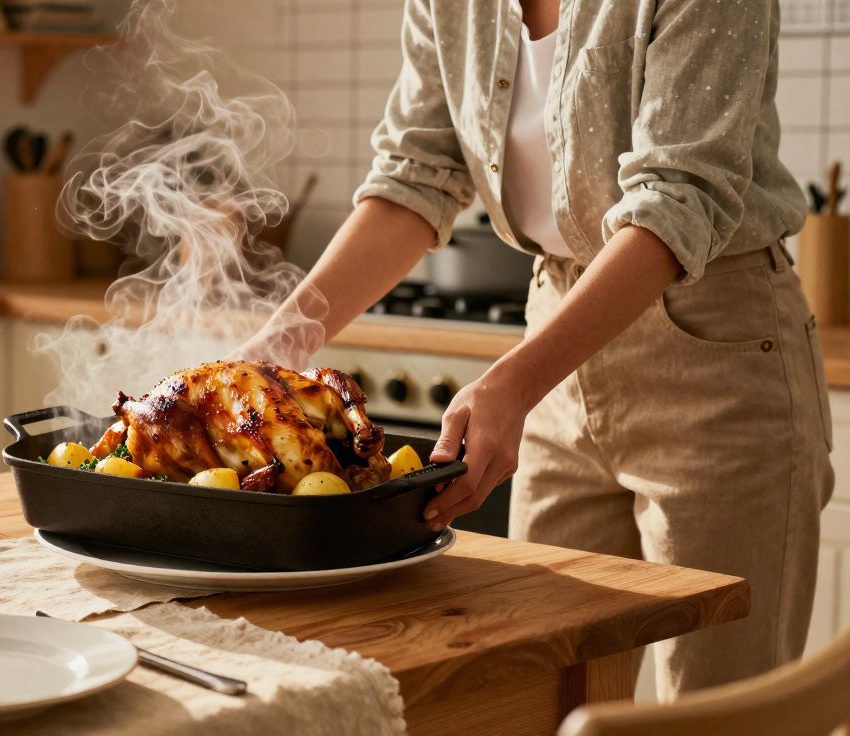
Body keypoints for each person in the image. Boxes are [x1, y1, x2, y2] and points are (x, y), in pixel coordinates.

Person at [238, 0, 833, 700]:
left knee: (717, 706)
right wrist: (279, 341)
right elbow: (414, 179)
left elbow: (679, 200)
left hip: (714, 349)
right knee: (540, 689)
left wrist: (516, 382)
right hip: (556, 339)